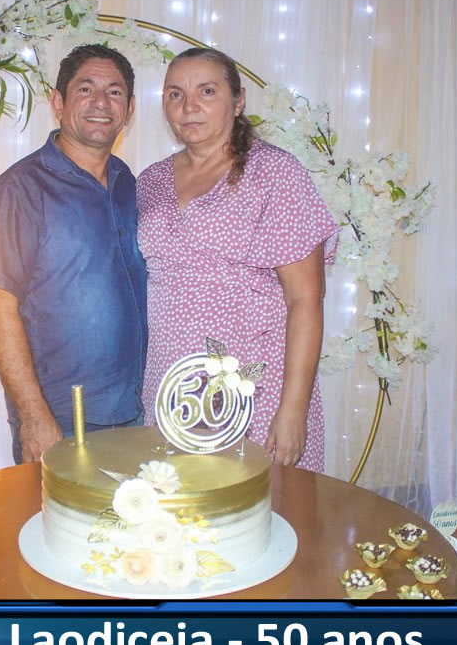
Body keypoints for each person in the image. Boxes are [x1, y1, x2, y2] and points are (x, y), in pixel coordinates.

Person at [137, 47, 339, 470]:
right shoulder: (150, 181)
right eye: (175, 94)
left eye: (207, 91)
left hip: (254, 388)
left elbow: (306, 298)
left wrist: (293, 409)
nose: (189, 106)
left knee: (262, 504)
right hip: (172, 386)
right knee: (177, 502)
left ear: (238, 100)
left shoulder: (275, 173)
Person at [0, 45, 148, 465]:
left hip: (135, 414)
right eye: (85, 89)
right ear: (58, 102)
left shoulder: (128, 183)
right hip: (62, 421)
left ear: (129, 110)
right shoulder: (21, 189)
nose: (101, 103)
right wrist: (34, 417)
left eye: (114, 92)